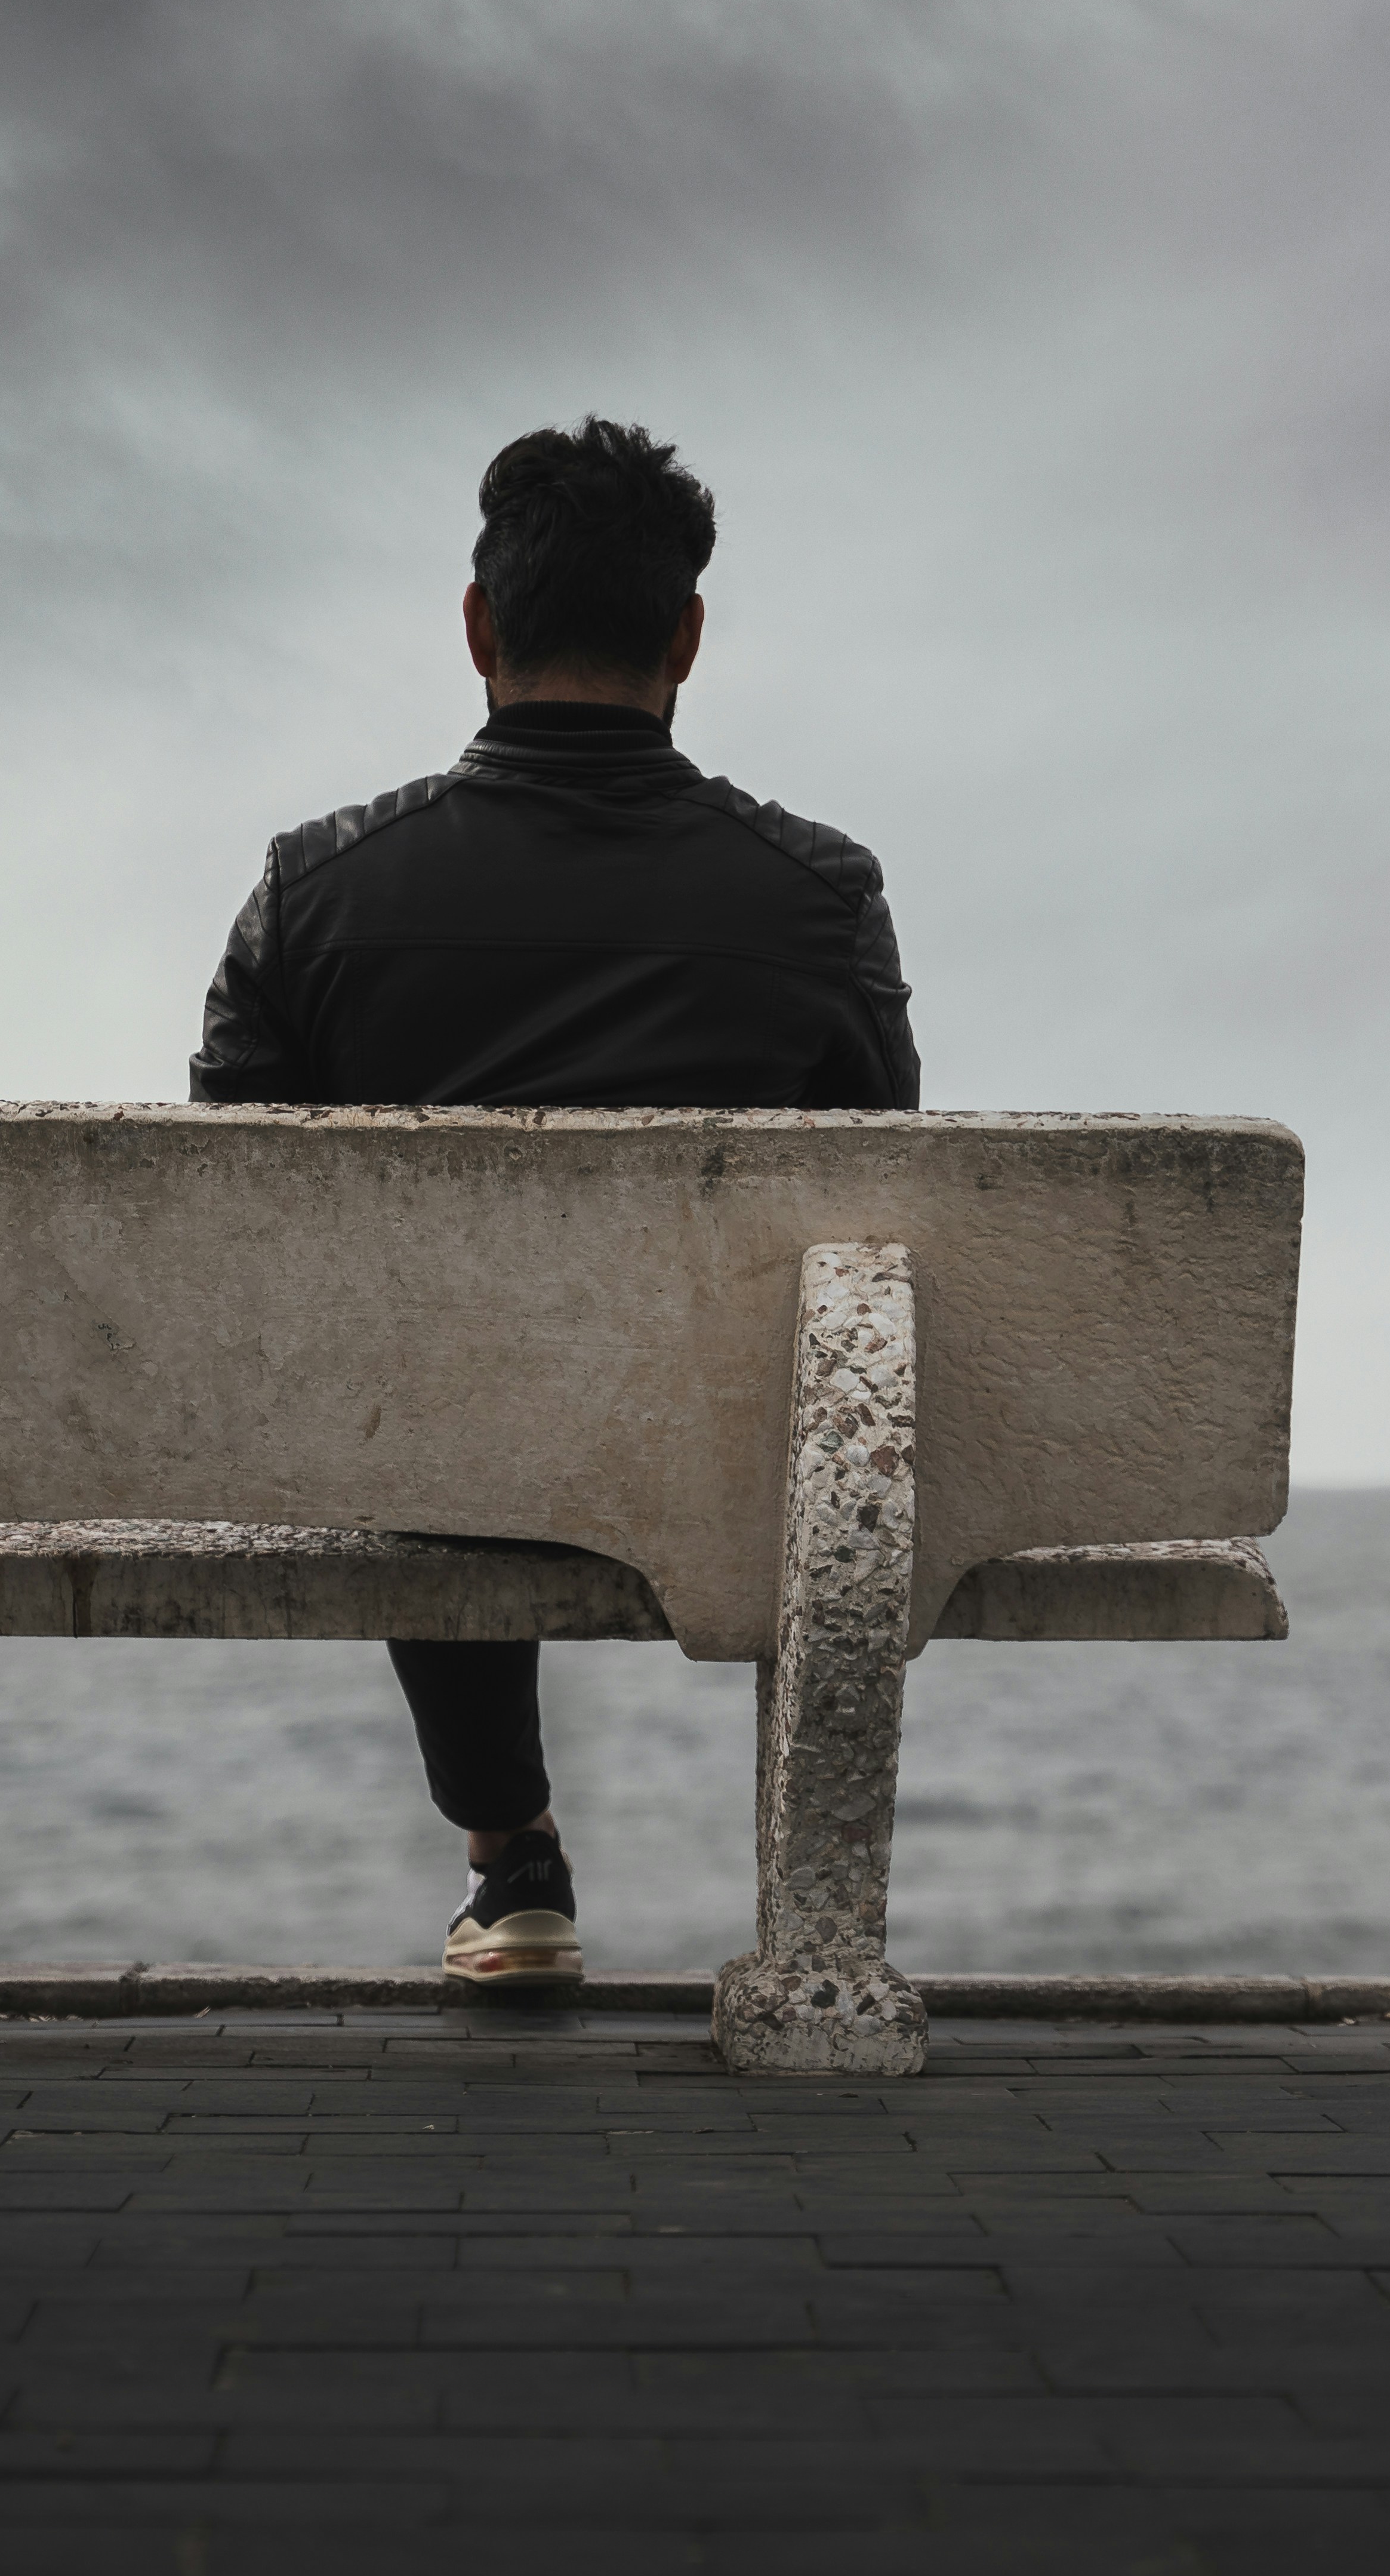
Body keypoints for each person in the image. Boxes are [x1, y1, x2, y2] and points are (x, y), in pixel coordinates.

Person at [189, 418, 920, 1986]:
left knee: (423, 1372)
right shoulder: (814, 894)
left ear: (476, 627)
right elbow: (881, 1184)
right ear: (686, 636)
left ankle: (507, 1853)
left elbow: (232, 1208)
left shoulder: (315, 890)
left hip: (436, 1447)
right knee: (651, 1371)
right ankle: (813, 1925)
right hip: (734, 1448)